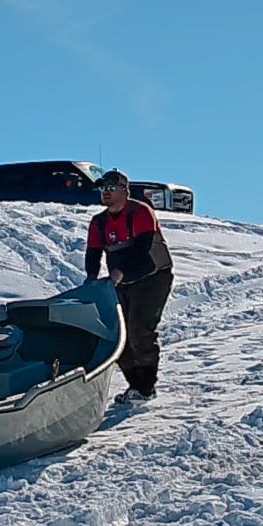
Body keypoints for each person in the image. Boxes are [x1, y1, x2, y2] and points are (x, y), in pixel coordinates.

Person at [85, 169, 174, 400]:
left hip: (153, 276)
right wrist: (91, 279)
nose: (106, 193)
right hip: (122, 282)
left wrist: (121, 272)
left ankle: (146, 386)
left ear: (125, 191)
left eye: (111, 189)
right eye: (103, 189)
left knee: (139, 330)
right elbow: (93, 254)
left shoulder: (141, 212)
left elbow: (143, 253)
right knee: (118, 335)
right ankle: (136, 385)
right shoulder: (99, 222)